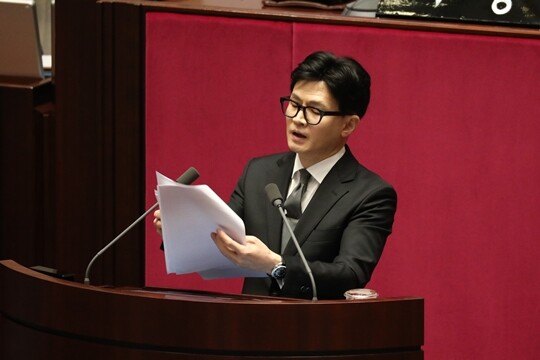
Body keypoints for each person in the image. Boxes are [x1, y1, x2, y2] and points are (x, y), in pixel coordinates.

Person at [154, 51, 397, 300]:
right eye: (294, 104)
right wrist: (181, 232)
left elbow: (350, 274)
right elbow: (225, 241)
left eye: (315, 111)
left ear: (348, 125)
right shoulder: (259, 173)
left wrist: (275, 265)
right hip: (248, 326)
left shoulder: (370, 194)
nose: (298, 120)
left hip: (316, 331)